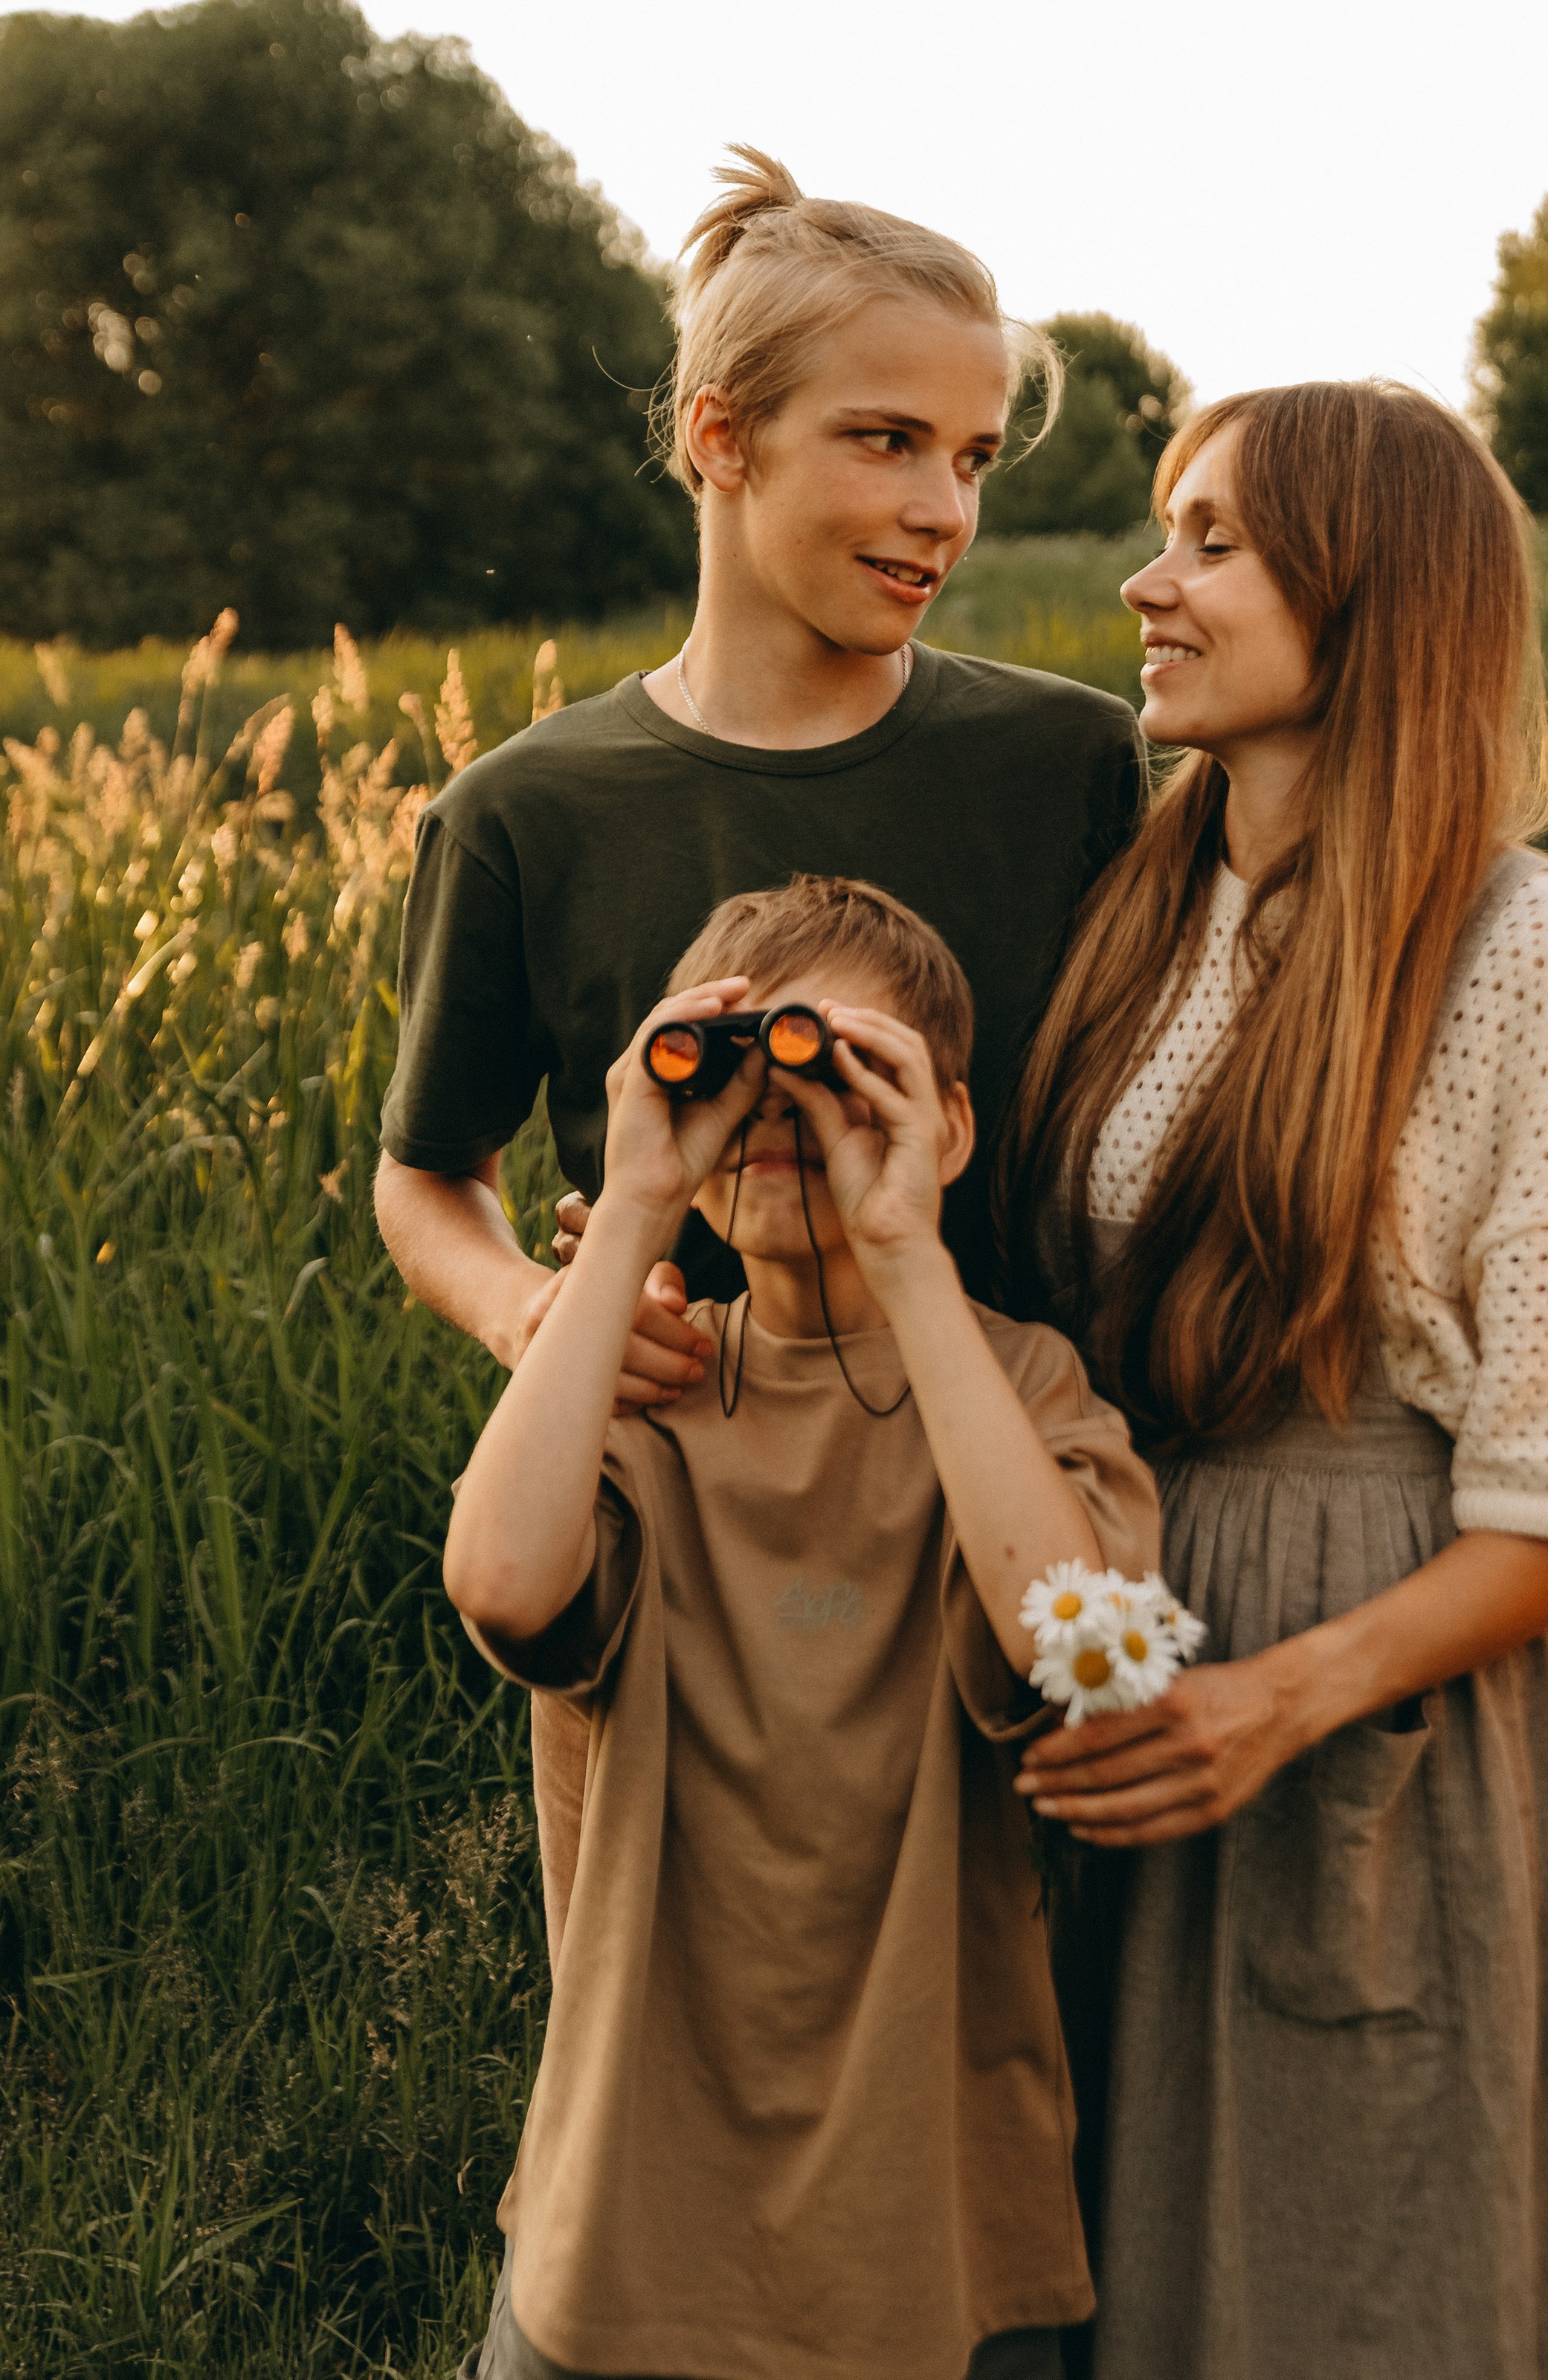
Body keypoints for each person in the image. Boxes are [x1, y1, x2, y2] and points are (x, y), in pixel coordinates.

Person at [1002, 381, 1548, 2376]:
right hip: (1143, 1649)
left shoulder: (1531, 958)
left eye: (1213, 540)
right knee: (1135, 2263)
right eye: (1170, 530)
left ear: (1371, 592)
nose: (1151, 583)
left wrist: (1275, 1701)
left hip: (1400, 1702)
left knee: (1386, 2265)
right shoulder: (1143, 907)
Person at [375, 149, 1144, 1958]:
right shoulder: (526, 809)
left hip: (1007, 1554)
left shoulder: (1069, 764)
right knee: (653, 2076)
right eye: (884, 442)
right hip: (671, 1554)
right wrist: (535, 1316)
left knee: (1016, 2099)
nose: (941, 511)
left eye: (970, 459)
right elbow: (427, 1178)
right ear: (720, 439)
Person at [442, 876, 1159, 2380]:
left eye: (838, 1069)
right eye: (740, 1071)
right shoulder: (643, 1391)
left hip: (932, 2240)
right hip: (626, 2218)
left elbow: (1076, 1651)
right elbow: (504, 1584)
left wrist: (906, 1255)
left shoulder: (1022, 1399)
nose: (781, 1111)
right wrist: (634, 1195)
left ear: (946, 1127)